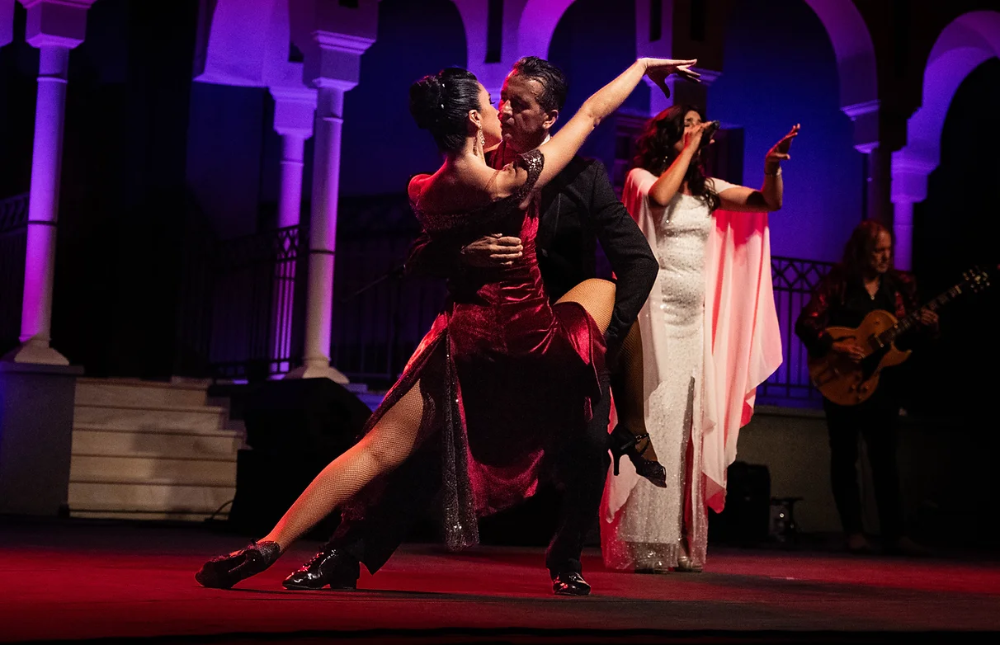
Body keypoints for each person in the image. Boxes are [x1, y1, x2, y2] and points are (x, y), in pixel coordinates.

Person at [195, 57, 700, 593]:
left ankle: (271, 543)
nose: (504, 110)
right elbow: (592, 115)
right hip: (512, 339)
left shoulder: (442, 185)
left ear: (548, 116)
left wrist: (597, 350)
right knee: (419, 457)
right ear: (473, 119)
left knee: (564, 445)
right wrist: (465, 252)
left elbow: (638, 263)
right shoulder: (505, 177)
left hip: (506, 338)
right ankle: (341, 554)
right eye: (497, 100)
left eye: (518, 104)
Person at [601, 105, 791, 573]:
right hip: (652, 316)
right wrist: (688, 150)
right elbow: (660, 198)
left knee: (686, 428)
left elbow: (766, 203)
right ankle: (643, 540)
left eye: (698, 125)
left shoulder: (707, 190)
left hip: (693, 322)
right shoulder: (642, 177)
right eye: (686, 124)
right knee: (656, 420)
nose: (696, 129)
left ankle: (680, 539)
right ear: (667, 134)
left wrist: (770, 169)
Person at [795, 220, 938, 556]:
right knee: (844, 457)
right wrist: (835, 346)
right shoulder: (839, 282)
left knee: (885, 459)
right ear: (861, 252)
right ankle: (854, 532)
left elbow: (909, 341)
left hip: (883, 384)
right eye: (878, 251)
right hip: (842, 381)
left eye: (889, 250)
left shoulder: (901, 286)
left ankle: (895, 533)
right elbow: (806, 322)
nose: (886, 257)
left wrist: (929, 327)